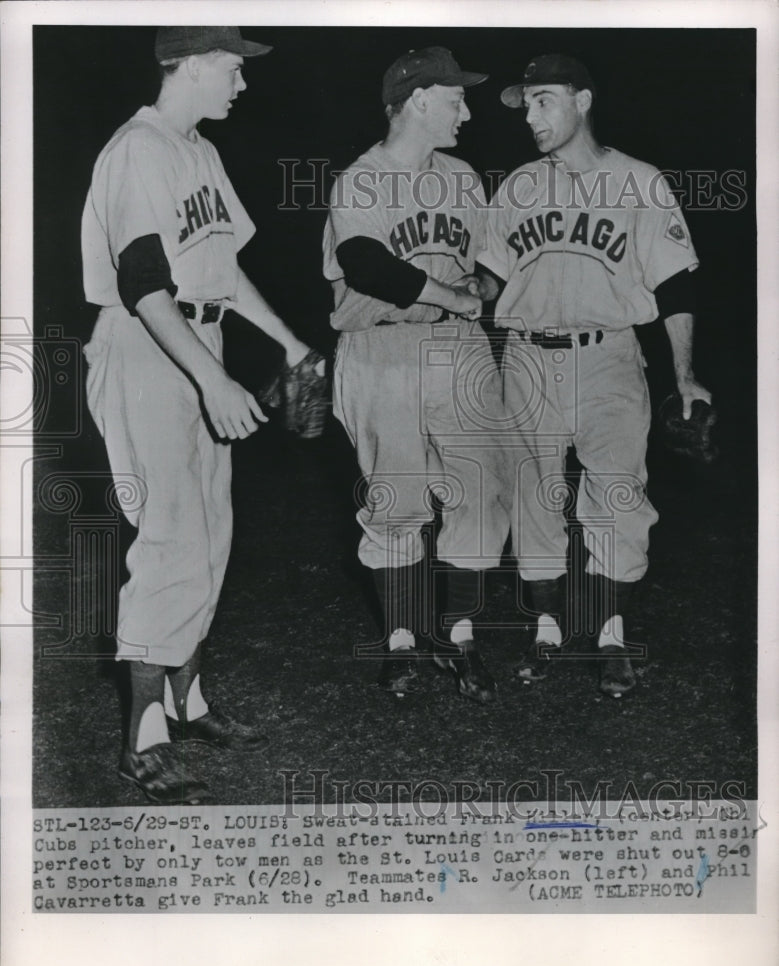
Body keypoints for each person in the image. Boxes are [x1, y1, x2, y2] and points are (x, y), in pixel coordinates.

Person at [81, 27, 311, 803]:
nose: (241, 83)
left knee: (211, 533)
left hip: (194, 337)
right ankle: (141, 742)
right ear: (185, 67)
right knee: (172, 535)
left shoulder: (199, 153)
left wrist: (288, 343)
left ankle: (190, 702)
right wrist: (213, 380)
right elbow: (145, 283)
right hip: (148, 348)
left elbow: (220, 267)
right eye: (230, 68)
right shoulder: (137, 150)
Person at [475, 54, 711, 697]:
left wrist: (684, 376)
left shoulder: (639, 181)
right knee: (534, 499)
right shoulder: (517, 187)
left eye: (544, 100)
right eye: (526, 105)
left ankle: (610, 636)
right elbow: (486, 283)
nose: (532, 115)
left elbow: (676, 283)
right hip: (525, 357)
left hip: (609, 356)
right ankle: (548, 629)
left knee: (618, 499)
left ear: (582, 98)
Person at [323, 47, 511, 702]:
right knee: (394, 503)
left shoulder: (462, 178)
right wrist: (455, 296)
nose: (466, 110)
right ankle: (402, 641)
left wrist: (484, 283)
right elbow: (367, 266)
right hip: (382, 351)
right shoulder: (362, 179)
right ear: (420, 99)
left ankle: (458, 635)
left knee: (479, 495)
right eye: (456, 98)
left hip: (458, 351)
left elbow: (491, 263)